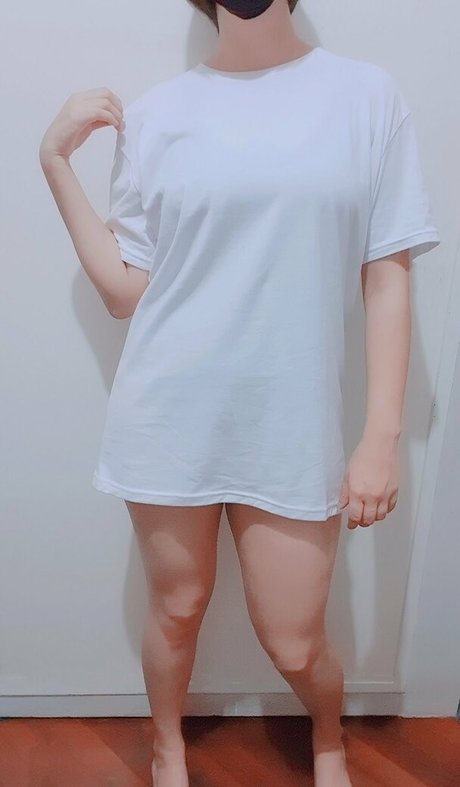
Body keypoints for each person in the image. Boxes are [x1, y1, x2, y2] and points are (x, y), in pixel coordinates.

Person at [39, 0, 441, 785]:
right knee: (176, 606)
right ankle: (167, 750)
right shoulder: (157, 116)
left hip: (291, 421)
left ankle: (328, 739)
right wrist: (55, 162)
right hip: (168, 414)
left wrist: (381, 434)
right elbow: (125, 291)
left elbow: (388, 273)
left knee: (294, 637)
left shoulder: (364, 96)